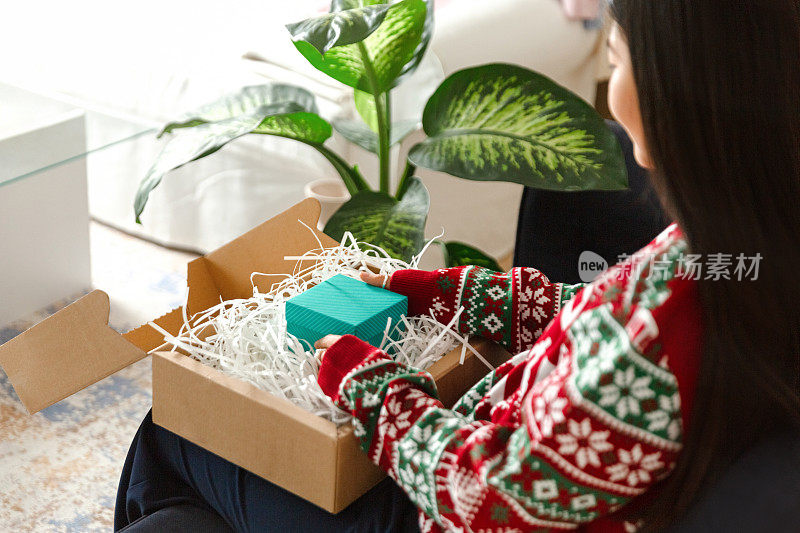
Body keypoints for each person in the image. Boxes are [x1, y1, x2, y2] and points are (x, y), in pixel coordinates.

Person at [115, 1, 800, 531]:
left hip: (432, 506)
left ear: (677, 93)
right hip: (489, 453)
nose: (613, 92)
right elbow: (591, 318)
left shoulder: (649, 331)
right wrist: (449, 293)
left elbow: (483, 500)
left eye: (617, 60)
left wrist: (365, 379)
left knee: (176, 422)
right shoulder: (736, 253)